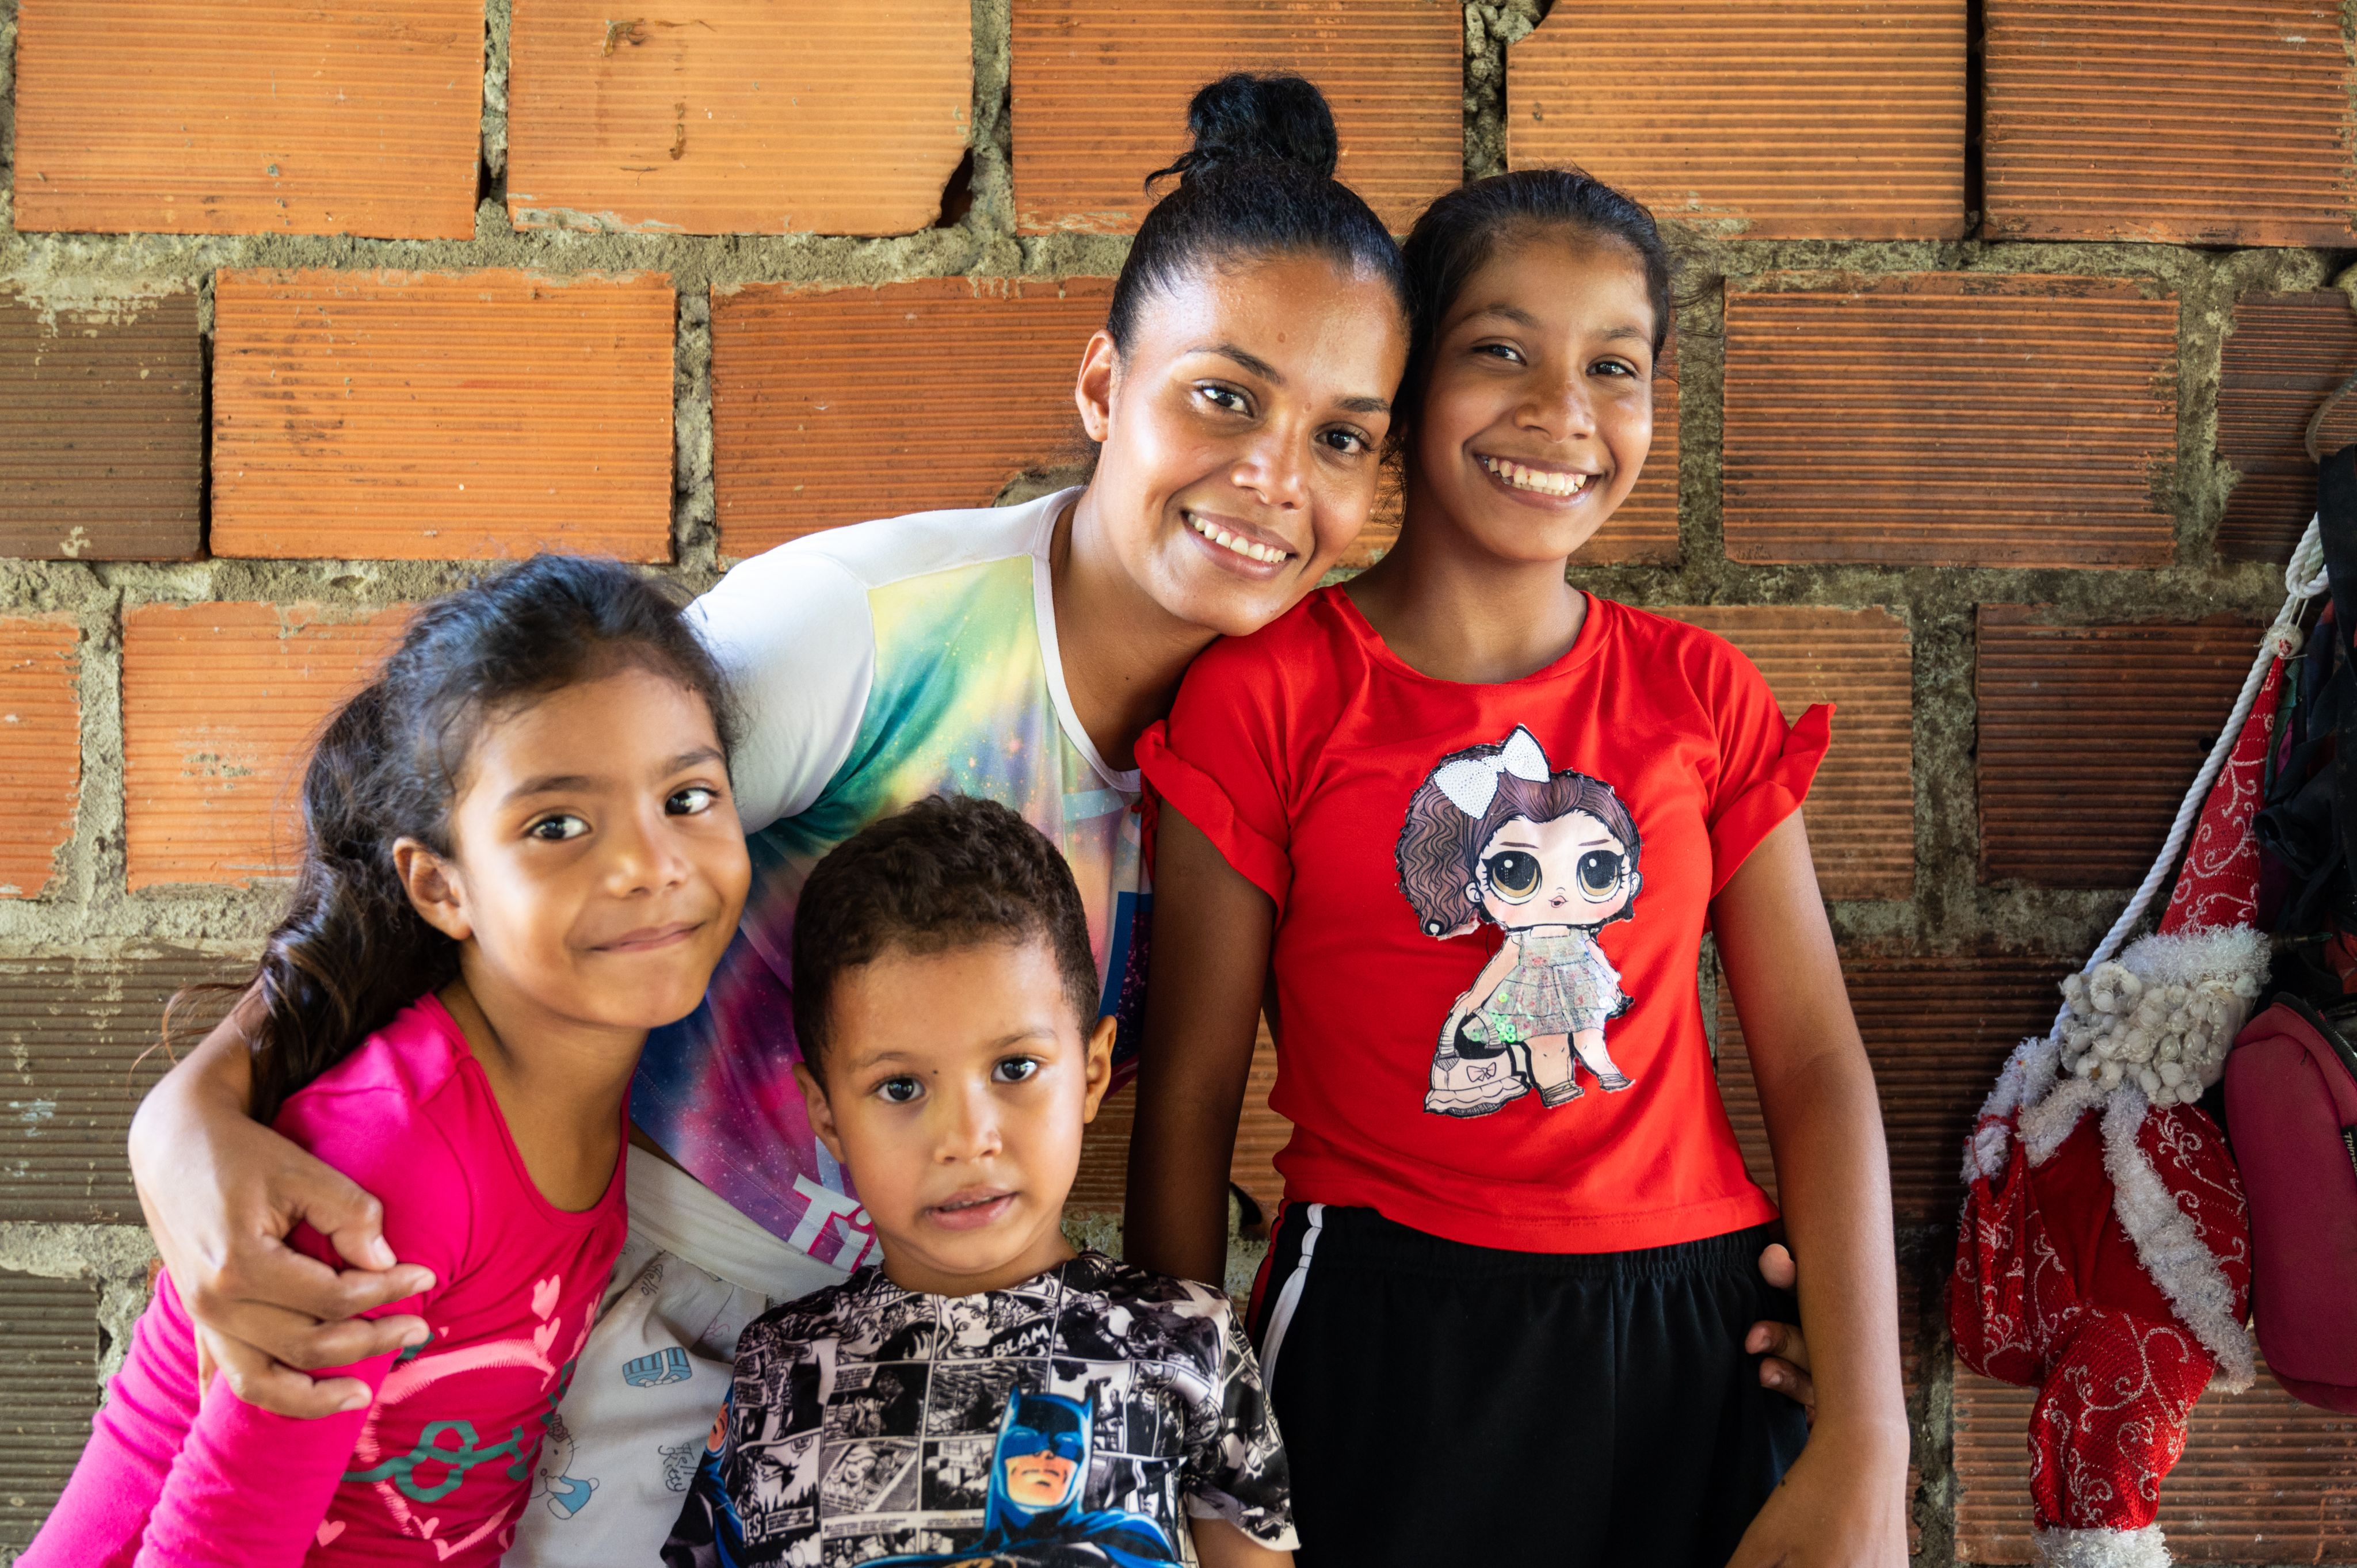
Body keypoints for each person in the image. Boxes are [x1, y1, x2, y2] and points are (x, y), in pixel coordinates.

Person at [124, 73, 1406, 1565]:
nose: (1272, 476)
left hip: (901, 1364)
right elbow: (537, 823)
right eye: (1225, 395)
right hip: (623, 1309)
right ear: (1109, 387)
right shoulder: (870, 628)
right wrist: (195, 1110)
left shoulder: (1272, 740)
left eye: (1341, 437)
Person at [1124, 169, 1910, 1566]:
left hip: (1695, 1331)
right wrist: (1182, 1450)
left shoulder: (1700, 695)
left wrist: (1867, 1439)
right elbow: (1185, 1102)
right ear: (1410, 381)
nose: (1561, 413)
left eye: (1612, 366)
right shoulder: (1267, 698)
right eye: (1501, 351)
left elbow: (1813, 1068)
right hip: (1385, 1335)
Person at [22, 556, 750, 1565]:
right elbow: (212, 1547)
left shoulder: (602, 1062)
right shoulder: (396, 1169)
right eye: (557, 825)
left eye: (687, 797)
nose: (649, 863)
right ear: (442, 886)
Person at [662, 796, 1292, 1567]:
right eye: (900, 1088)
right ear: (827, 1115)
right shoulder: (772, 1370)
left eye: (1015, 1068)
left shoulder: (1190, 1342)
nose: (966, 1139)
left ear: (1092, 1071)